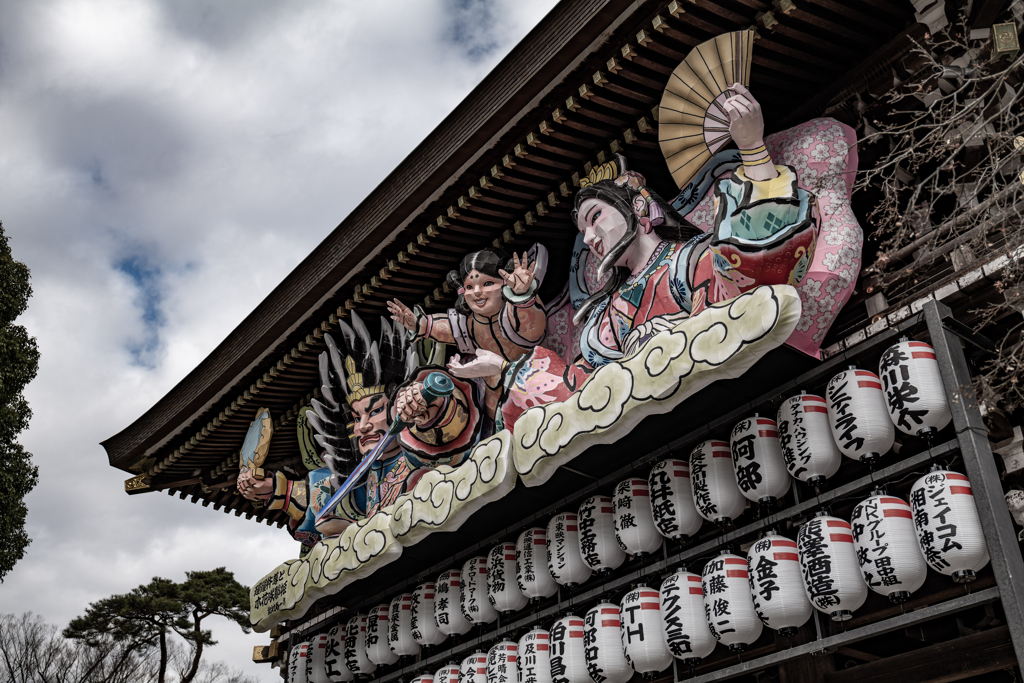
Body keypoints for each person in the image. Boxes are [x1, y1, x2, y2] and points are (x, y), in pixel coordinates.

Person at [445, 85, 820, 431]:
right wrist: (500, 373)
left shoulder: (692, 262)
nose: (590, 238)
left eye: (595, 218)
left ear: (639, 206)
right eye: (582, 232)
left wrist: (753, 149)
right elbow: (574, 394)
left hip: (738, 402)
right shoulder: (604, 319)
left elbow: (754, 273)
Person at [237, 312, 486, 551]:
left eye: (375, 411)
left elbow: (447, 429)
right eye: (356, 417)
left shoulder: (419, 452)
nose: (363, 426)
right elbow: (331, 498)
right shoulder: (364, 477)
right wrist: (274, 488)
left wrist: (424, 404)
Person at [387, 248, 548, 421]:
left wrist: (522, 295)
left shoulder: (515, 310)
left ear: (505, 283)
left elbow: (533, 328)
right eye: (469, 287)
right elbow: (443, 328)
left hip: (537, 379)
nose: (477, 292)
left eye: (487, 284)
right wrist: (417, 324)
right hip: (497, 399)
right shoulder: (467, 323)